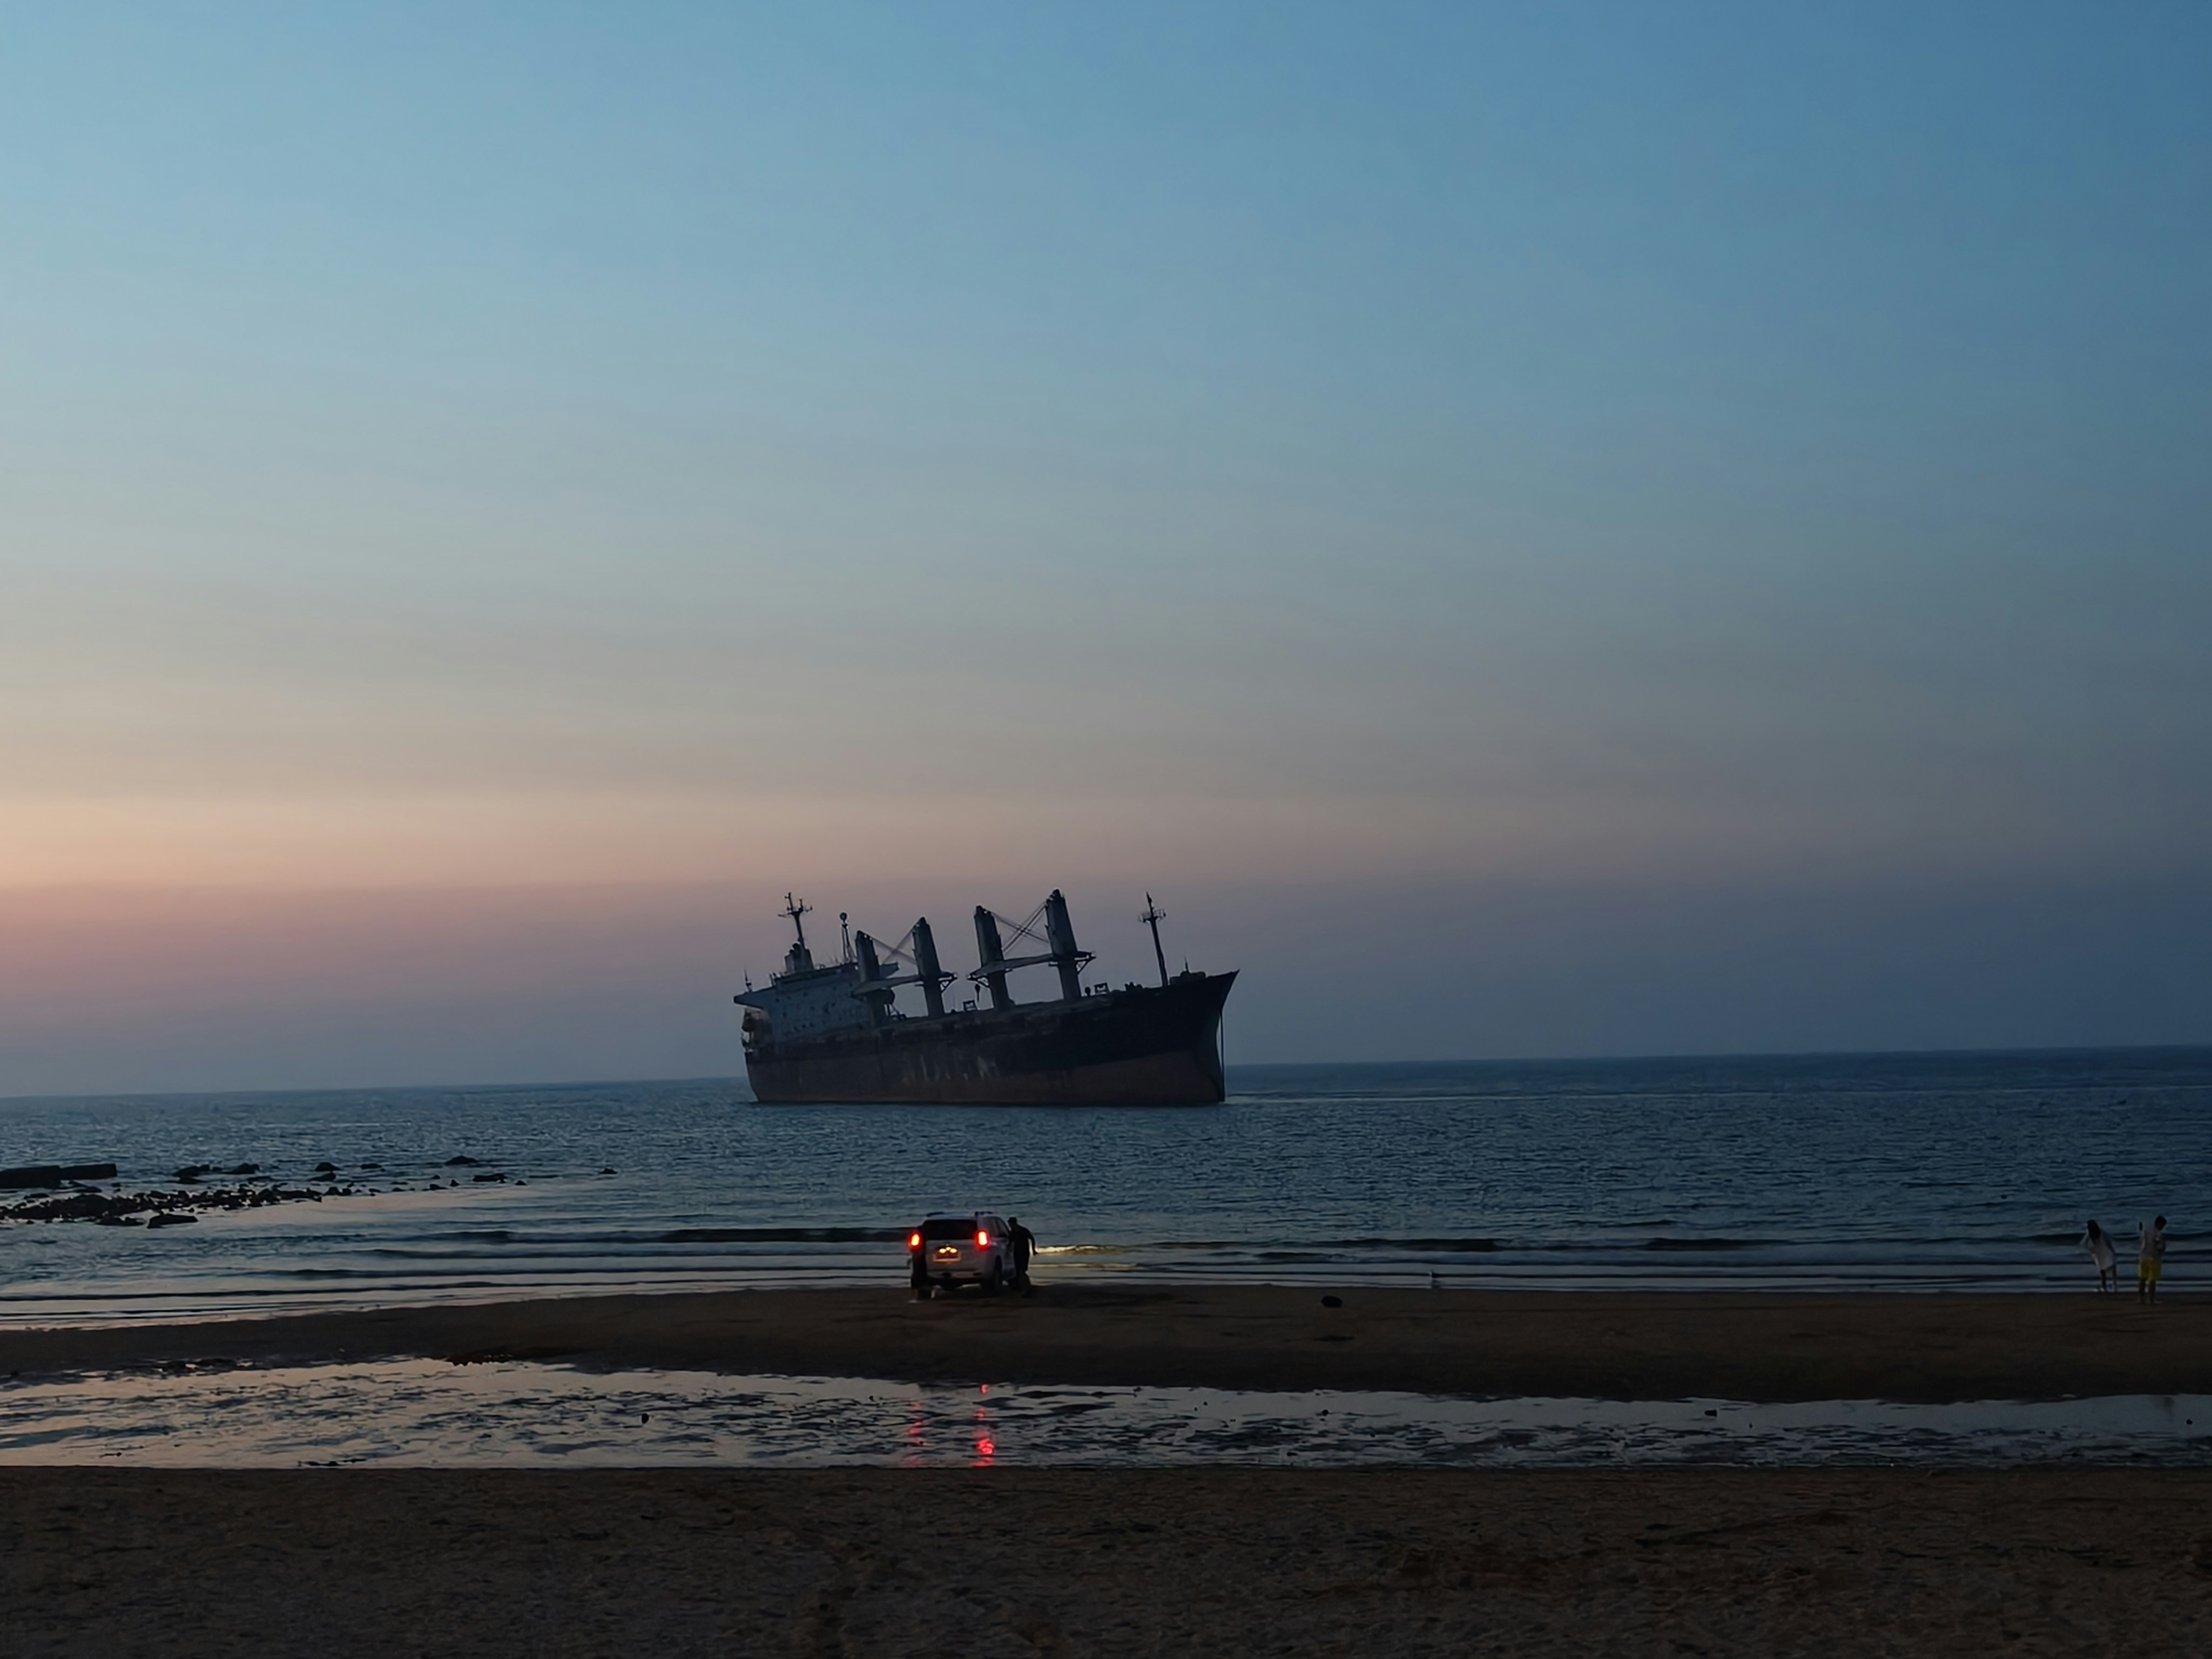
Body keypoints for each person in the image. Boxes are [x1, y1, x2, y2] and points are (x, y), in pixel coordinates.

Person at [2137, 1215, 2168, 1303]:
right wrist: (2162, 1250)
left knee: (2142, 1279)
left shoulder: (2145, 1231)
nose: (2162, 1228)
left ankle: (2141, 1298)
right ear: (2159, 1224)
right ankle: (2151, 1299)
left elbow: (2141, 1241)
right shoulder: (2158, 1234)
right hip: (2154, 1258)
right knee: (2152, 1281)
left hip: (2143, 1257)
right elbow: (2160, 1247)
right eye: (2162, 1226)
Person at [2083, 1219, 2117, 1293]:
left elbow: (2087, 1245)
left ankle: (2104, 1287)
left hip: (2098, 1254)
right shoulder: (2102, 1232)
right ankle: (2114, 1285)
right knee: (2113, 1269)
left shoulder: (2090, 1235)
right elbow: (2108, 1241)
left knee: (2103, 1272)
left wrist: (2092, 1254)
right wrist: (2112, 1250)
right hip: (2106, 1251)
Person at [1006, 1215, 1037, 1295]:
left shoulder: (1023, 1231)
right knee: (1018, 1270)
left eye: (1010, 1224)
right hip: (1016, 1253)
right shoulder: (1012, 1233)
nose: (1010, 1226)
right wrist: (1007, 1251)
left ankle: (1026, 1288)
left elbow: (1032, 1238)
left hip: (1024, 1253)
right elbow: (1010, 1243)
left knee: (1022, 1270)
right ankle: (1023, 1287)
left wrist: (1033, 1250)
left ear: (1014, 1223)